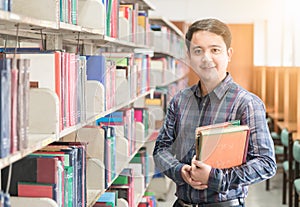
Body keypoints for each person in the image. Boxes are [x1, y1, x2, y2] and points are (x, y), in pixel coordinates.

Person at [152, 18, 277, 207]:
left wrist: (214, 177)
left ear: (229, 54)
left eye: (215, 50)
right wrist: (180, 171)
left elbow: (266, 163)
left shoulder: (247, 104)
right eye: (198, 51)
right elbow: (161, 149)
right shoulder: (179, 101)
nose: (206, 58)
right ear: (189, 56)